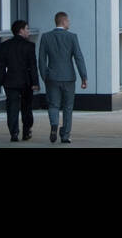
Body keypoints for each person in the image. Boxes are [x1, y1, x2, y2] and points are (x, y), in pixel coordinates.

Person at [38, 11, 88, 144]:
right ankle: (65, 135)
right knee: (68, 107)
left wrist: (45, 76)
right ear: (64, 21)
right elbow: (78, 58)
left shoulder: (46, 37)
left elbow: (41, 60)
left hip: (52, 77)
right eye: (68, 21)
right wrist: (84, 76)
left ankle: (54, 125)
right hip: (69, 78)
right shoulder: (72, 37)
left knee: (53, 105)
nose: (69, 23)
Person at [0, 19, 39, 142]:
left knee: (12, 108)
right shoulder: (29, 46)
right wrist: (35, 82)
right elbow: (33, 65)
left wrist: (2, 81)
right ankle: (26, 131)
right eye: (27, 28)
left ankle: (14, 133)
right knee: (26, 107)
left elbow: (1, 65)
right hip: (26, 82)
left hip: (10, 81)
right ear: (21, 30)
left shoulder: (5, 45)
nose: (28, 31)